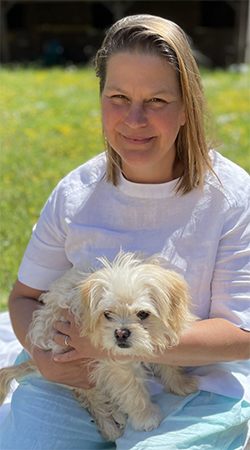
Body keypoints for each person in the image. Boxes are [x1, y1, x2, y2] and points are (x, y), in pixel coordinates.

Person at [1, 13, 250, 450]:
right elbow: (24, 298)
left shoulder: (231, 197)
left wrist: (118, 344)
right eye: (118, 96)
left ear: (187, 108)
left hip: (195, 381)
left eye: (156, 100)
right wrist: (44, 357)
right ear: (100, 100)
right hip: (73, 378)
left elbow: (242, 337)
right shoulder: (76, 192)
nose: (134, 119)